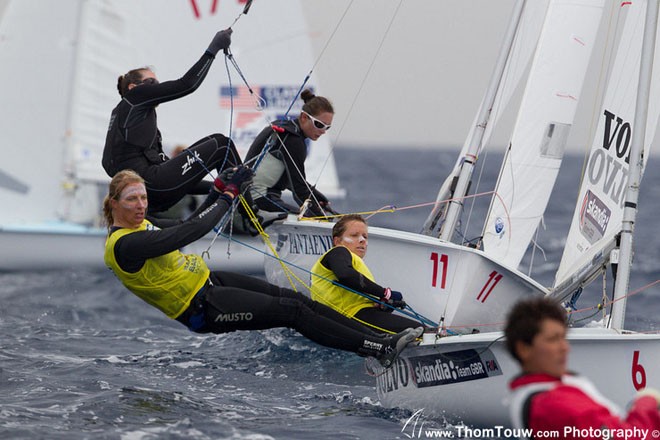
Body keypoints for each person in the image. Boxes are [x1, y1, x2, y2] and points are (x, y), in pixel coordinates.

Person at [102, 168, 423, 368]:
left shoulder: (142, 224)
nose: (141, 205)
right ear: (113, 203)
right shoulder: (125, 244)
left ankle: (378, 336)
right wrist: (228, 196)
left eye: (144, 197)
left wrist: (217, 190)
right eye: (132, 199)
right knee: (292, 313)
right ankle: (377, 348)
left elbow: (187, 222)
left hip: (211, 282)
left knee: (298, 300)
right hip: (201, 308)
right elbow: (192, 233)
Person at [102, 29, 242, 214]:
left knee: (217, 143)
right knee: (221, 145)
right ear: (133, 87)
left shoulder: (130, 121)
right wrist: (212, 49)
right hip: (152, 187)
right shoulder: (134, 97)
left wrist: (219, 185)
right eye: (152, 82)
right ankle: (251, 210)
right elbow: (187, 85)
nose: (158, 87)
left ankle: (247, 205)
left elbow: (178, 179)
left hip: (153, 194)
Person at [505, 297, 660, 435]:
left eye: (564, 338)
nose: (565, 347)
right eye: (553, 339)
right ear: (523, 349)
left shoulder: (535, 391)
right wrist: (646, 403)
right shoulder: (553, 405)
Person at [310, 215, 424, 333]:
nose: (362, 240)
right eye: (354, 235)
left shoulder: (352, 261)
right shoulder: (338, 251)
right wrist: (385, 293)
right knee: (424, 332)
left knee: (421, 332)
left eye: (365, 236)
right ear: (337, 241)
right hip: (352, 316)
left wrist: (382, 305)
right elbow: (346, 275)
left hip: (352, 319)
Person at [244, 89, 336, 218]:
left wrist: (315, 194)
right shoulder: (293, 140)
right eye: (319, 124)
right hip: (257, 200)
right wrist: (321, 216)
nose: (323, 131)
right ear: (304, 117)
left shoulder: (285, 127)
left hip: (248, 198)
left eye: (327, 127)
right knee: (308, 217)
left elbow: (287, 179)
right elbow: (299, 191)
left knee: (307, 214)